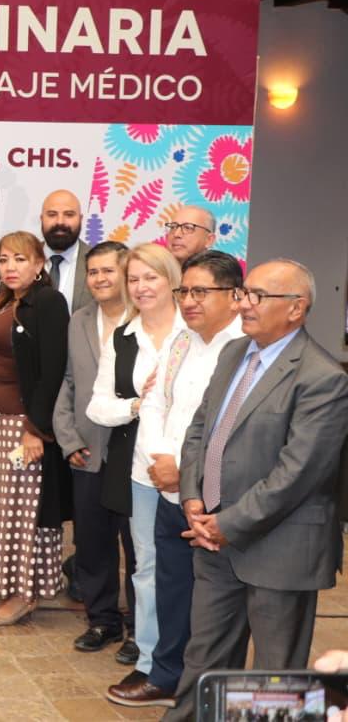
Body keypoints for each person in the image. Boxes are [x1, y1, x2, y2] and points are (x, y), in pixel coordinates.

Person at [165, 260, 348, 721]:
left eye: (258, 296)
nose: (245, 304)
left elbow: (298, 474)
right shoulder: (234, 353)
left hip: (281, 548)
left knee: (274, 679)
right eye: (244, 293)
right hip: (214, 539)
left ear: (296, 308)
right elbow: (200, 429)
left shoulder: (323, 377)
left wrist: (226, 523)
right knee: (204, 658)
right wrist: (193, 497)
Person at [106, 251, 245, 709]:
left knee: (216, 599)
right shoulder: (181, 341)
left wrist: (185, 474)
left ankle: (206, 687)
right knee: (170, 587)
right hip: (167, 487)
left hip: (216, 496)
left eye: (200, 292)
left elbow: (233, 428)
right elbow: (154, 403)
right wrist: (161, 460)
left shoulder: (244, 348)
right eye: (185, 291)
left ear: (235, 296)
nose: (188, 301)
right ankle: (166, 676)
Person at [86, 243, 184, 686]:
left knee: (194, 571)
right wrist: (135, 406)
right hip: (141, 471)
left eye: (151, 277)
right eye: (134, 279)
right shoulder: (122, 337)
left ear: (172, 279)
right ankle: (149, 662)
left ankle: (190, 658)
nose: (141, 287)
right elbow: (98, 406)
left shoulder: (197, 332)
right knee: (147, 569)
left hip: (192, 469)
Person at [0, 230, 71, 625]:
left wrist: (35, 429)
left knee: (23, 515)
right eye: (4, 259)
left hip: (25, 427)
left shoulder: (48, 302)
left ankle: (24, 594)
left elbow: (52, 369)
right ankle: (10, 587)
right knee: (3, 511)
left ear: (39, 264)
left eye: (20, 259)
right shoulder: (5, 301)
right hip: (0, 423)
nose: (10, 267)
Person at [53, 241, 139, 661]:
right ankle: (102, 620)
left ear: (127, 274)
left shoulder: (147, 319)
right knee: (91, 543)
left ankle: (141, 629)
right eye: (93, 272)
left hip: (135, 455)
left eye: (109, 270)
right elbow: (69, 382)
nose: (100, 279)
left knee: (138, 549)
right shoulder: (80, 320)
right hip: (87, 451)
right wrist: (68, 438)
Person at [41, 189, 92, 313]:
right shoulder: (22, 259)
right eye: (52, 214)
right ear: (41, 218)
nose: (60, 222)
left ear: (80, 219)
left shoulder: (96, 262)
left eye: (69, 215)